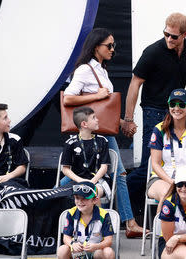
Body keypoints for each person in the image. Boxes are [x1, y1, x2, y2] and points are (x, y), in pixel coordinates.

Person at [63, 27, 146, 237]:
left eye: (113, 45)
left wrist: (122, 123)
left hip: (102, 130)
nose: (112, 49)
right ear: (95, 46)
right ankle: (130, 224)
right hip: (93, 133)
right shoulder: (84, 70)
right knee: (118, 174)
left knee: (114, 173)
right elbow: (68, 98)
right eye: (108, 45)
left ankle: (58, 192)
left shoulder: (101, 70)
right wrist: (97, 96)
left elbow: (101, 110)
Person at [122, 12, 186, 215]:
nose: (169, 39)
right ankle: (124, 208)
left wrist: (181, 108)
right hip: (154, 110)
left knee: (178, 159)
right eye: (166, 34)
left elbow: (181, 80)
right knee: (149, 164)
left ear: (185, 34)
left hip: (177, 110)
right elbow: (135, 83)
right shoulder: (153, 51)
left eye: (174, 36)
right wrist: (128, 119)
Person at [61, 107, 111, 207]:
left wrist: (92, 182)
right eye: (93, 118)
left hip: (99, 181)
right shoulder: (70, 143)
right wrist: (81, 181)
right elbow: (65, 169)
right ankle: (73, 221)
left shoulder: (102, 141)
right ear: (84, 124)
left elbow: (104, 167)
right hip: (77, 181)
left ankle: (98, 221)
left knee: (92, 193)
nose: (97, 120)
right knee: (62, 196)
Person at [57, 181, 115, 259]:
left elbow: (109, 241)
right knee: (62, 250)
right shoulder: (71, 213)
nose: (80, 202)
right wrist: (72, 244)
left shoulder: (104, 215)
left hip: (96, 250)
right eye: (77, 198)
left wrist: (96, 246)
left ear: (95, 200)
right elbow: (66, 237)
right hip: (77, 251)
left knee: (109, 252)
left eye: (84, 198)